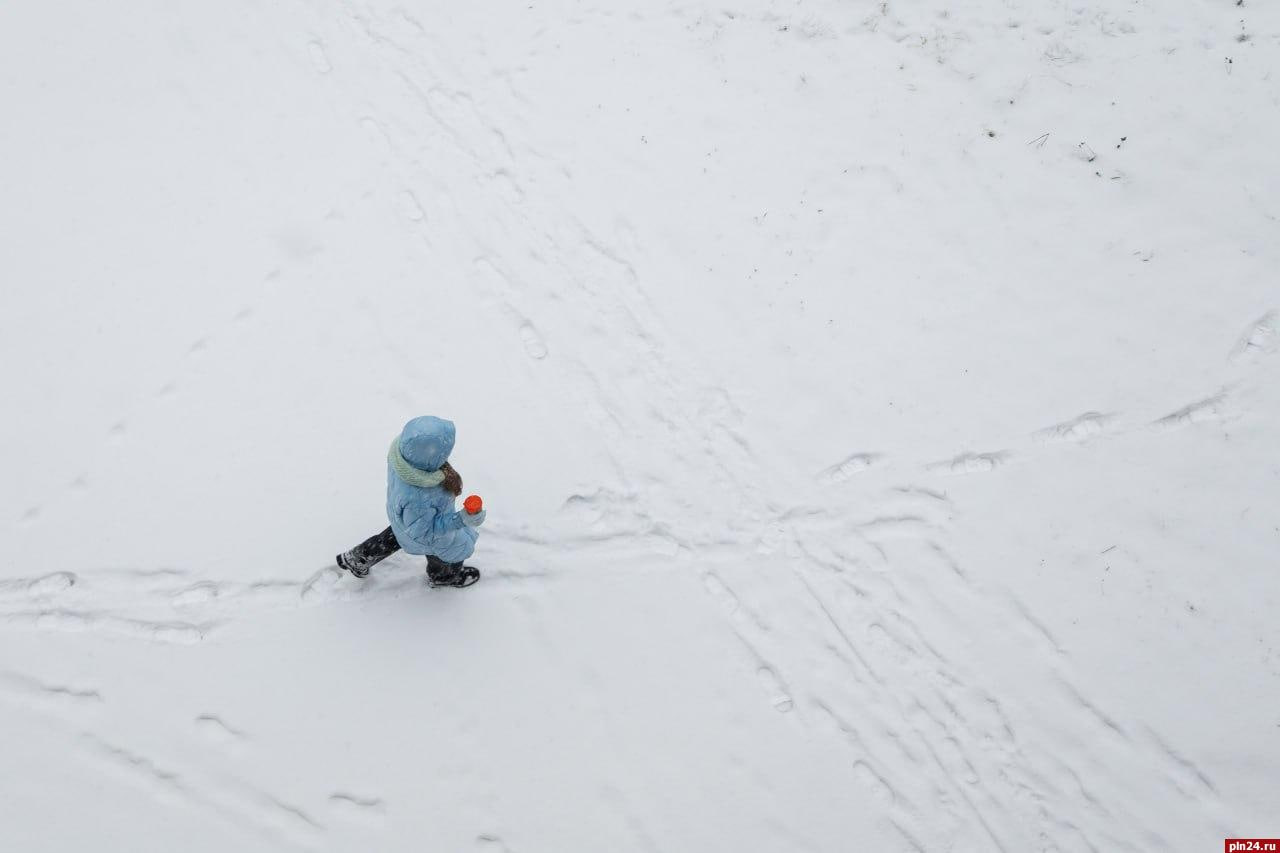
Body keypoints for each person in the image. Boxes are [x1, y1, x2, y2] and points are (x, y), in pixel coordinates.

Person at [336, 416, 486, 587]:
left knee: (398, 534)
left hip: (403, 515)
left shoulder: (404, 457)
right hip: (427, 531)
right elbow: (428, 533)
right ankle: (443, 577)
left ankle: (358, 558)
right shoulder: (419, 497)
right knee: (444, 551)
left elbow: (416, 523)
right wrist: (461, 519)